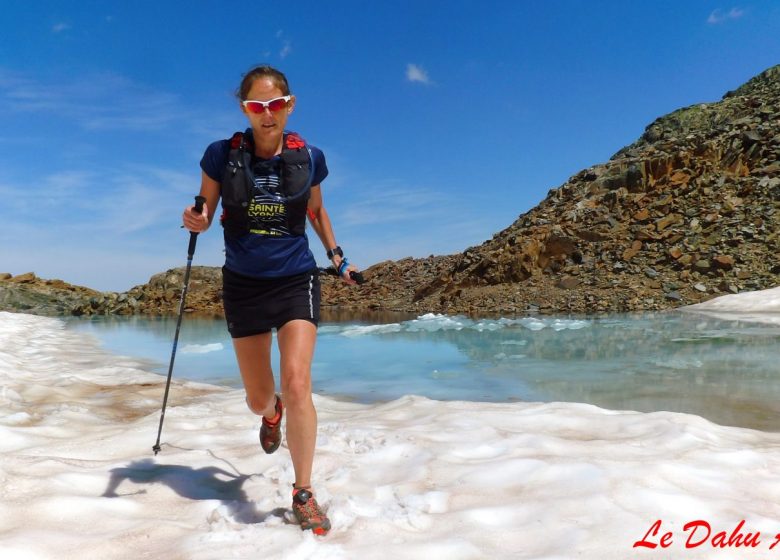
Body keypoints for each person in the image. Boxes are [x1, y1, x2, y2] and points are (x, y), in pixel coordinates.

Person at [182, 65, 359, 536]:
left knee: (299, 382)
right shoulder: (221, 156)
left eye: (275, 104)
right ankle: (271, 413)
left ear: (290, 105)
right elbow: (204, 209)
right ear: (245, 109)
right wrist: (195, 219)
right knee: (259, 397)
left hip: (294, 279)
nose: (267, 114)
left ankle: (303, 491)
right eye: (257, 106)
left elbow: (317, 210)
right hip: (243, 284)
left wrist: (338, 259)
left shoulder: (309, 158)